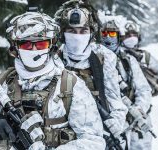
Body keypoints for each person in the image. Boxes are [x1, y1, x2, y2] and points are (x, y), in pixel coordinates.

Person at [0, 11, 106, 150]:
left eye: (41, 44)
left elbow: (94, 141)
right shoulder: (0, 83)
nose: (33, 50)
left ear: (51, 45)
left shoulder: (70, 85)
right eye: (26, 44)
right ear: (15, 47)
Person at [54, 0, 128, 148]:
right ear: (62, 33)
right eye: (71, 31)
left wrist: (113, 125)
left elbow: (115, 103)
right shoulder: (53, 59)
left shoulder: (103, 59)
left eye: (83, 31)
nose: (77, 36)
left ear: (92, 33)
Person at [100, 19, 153, 150]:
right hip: (101, 122)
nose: (108, 37)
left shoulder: (128, 60)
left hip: (129, 119)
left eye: (112, 34)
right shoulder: (91, 59)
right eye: (105, 34)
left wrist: (139, 109)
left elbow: (144, 89)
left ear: (118, 36)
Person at [121, 21, 158, 96]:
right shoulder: (115, 55)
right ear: (121, 37)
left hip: (143, 102)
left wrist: (154, 81)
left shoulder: (145, 56)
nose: (131, 37)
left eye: (134, 34)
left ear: (138, 37)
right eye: (127, 35)